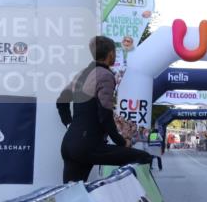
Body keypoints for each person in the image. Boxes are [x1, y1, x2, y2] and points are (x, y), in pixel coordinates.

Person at [57, 36, 158, 183]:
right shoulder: (105, 75)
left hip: (69, 144)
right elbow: (104, 115)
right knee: (142, 157)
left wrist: (69, 124)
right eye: (115, 53)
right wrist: (121, 142)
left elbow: (61, 101)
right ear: (111, 54)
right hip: (88, 146)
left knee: (73, 196)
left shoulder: (82, 74)